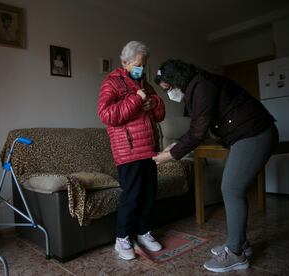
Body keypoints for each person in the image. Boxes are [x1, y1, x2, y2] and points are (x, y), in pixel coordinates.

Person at [153, 59, 279, 273]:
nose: (170, 94)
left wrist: (164, 157)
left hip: (255, 134)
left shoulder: (202, 86)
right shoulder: (196, 87)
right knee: (231, 188)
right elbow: (195, 129)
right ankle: (240, 243)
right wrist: (171, 149)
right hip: (243, 137)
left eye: (169, 88)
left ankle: (235, 253)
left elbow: (197, 133)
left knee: (231, 189)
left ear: (177, 81)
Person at [98, 41, 165, 260]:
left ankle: (143, 231)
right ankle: (122, 238)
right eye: (138, 64)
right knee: (133, 194)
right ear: (125, 62)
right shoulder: (112, 83)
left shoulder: (144, 82)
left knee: (149, 192)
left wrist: (153, 103)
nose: (141, 69)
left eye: (143, 65)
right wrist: (137, 99)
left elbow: (160, 112)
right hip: (127, 150)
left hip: (149, 148)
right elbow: (107, 115)